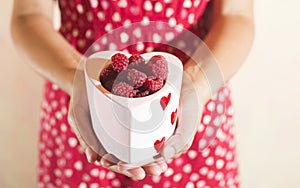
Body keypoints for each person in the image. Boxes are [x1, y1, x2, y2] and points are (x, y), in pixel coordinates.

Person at [11, 0, 254, 187]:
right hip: (85, 109)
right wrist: (79, 76)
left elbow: (236, 15)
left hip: (188, 111)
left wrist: (195, 83)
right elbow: (29, 15)